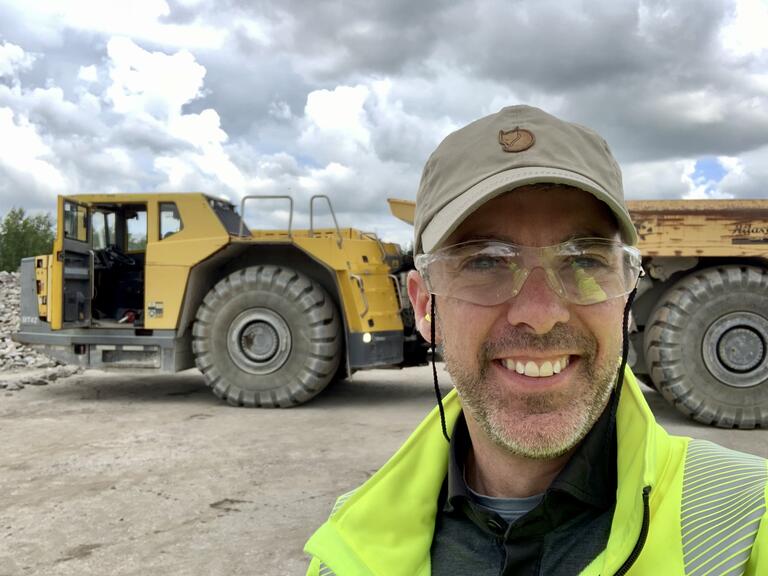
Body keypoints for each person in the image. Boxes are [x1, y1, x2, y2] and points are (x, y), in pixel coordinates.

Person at [304, 105, 768, 575]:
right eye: (485, 261)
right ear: (426, 308)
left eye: (584, 260)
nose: (541, 315)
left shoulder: (749, 518)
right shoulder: (344, 554)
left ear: (627, 293)